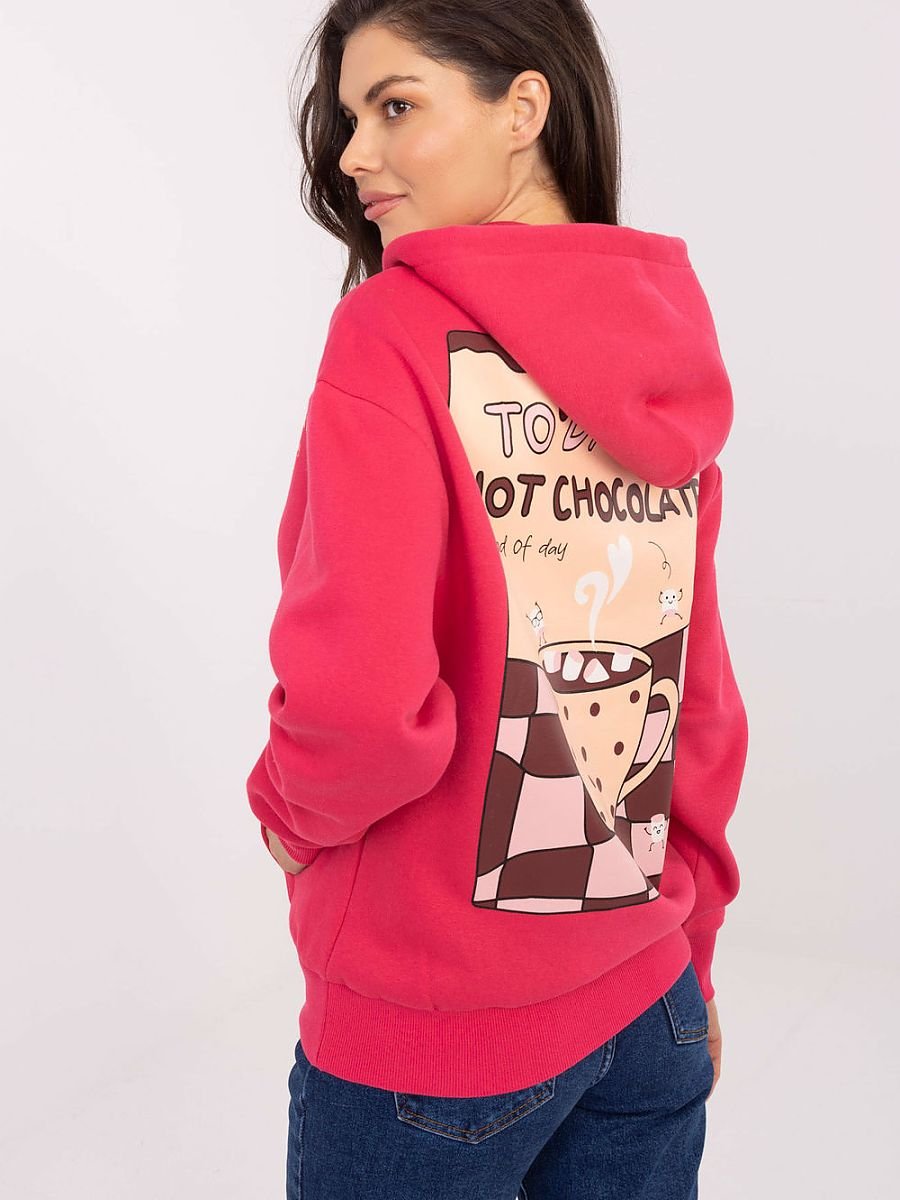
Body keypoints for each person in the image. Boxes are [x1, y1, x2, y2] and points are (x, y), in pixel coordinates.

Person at [246, 2, 750, 1197]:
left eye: (396, 105)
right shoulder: (662, 348)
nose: (354, 153)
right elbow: (697, 701)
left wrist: (287, 813)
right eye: (349, 117)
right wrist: (694, 957)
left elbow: (364, 703)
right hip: (650, 1004)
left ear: (524, 108)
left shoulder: (390, 334)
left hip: (436, 1038)